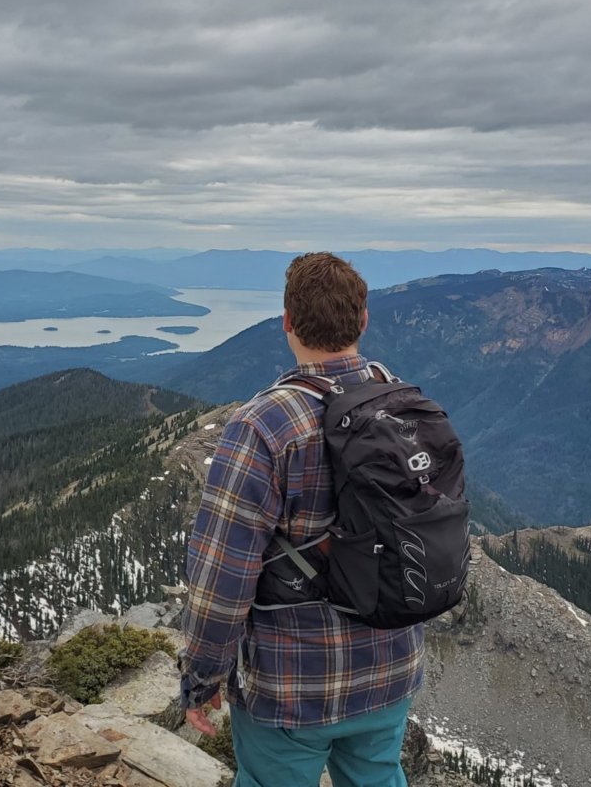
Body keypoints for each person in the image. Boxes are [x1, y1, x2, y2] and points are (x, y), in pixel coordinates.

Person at [180, 252, 423, 787]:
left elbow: (222, 574)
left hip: (292, 684)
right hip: (390, 666)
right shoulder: (403, 403)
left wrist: (202, 679)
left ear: (287, 321)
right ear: (363, 320)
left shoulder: (263, 425)